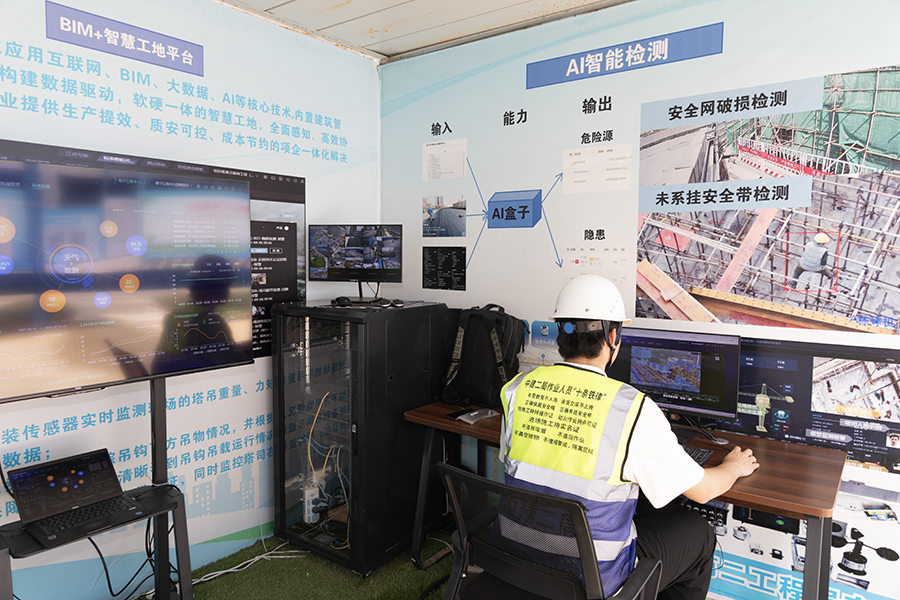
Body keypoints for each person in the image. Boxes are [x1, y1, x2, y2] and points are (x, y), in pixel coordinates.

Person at [499, 275, 759, 600]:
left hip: (517, 554)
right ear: (613, 337)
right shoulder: (631, 409)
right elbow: (703, 491)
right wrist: (733, 466)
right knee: (699, 534)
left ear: (558, 332)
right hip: (591, 579)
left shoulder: (517, 389)